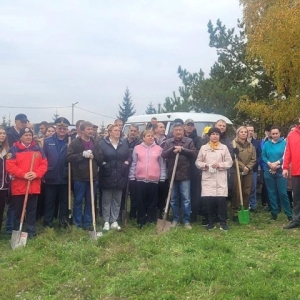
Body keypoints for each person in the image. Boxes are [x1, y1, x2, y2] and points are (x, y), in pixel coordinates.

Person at [6, 127, 48, 238]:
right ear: (21, 137)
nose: (28, 137)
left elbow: (44, 164)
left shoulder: (38, 149)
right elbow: (10, 166)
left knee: (31, 210)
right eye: (26, 135)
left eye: (30, 135)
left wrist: (36, 174)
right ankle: (16, 232)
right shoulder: (14, 149)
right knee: (18, 212)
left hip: (33, 186)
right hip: (19, 186)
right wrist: (23, 174)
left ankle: (31, 232)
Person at [67, 121, 103, 230]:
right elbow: (69, 157)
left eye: (91, 129)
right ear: (82, 131)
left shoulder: (95, 143)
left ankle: (87, 223)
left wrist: (94, 155)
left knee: (90, 201)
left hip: (93, 177)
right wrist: (82, 155)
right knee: (78, 201)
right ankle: (77, 224)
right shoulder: (75, 143)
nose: (91, 131)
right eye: (88, 129)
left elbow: (101, 159)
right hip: (79, 177)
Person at [195, 127, 233, 230]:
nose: (215, 136)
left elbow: (229, 162)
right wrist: (205, 165)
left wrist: (220, 164)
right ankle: (211, 222)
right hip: (208, 178)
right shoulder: (204, 148)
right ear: (209, 136)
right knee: (209, 201)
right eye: (213, 134)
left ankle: (223, 222)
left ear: (219, 136)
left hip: (220, 178)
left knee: (221, 201)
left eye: (217, 134)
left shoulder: (224, 148)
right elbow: (198, 162)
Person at [162, 123, 197, 229]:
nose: (178, 132)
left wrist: (182, 149)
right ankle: (175, 218)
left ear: (183, 131)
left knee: (186, 199)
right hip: (172, 174)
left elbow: (194, 153)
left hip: (185, 174)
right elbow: (163, 155)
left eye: (180, 130)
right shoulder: (168, 142)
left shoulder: (188, 141)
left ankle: (186, 220)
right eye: (176, 130)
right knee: (173, 199)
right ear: (173, 132)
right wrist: (173, 148)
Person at [129, 130, 166, 227]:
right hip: (140, 179)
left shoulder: (159, 149)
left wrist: (162, 178)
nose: (150, 137)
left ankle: (151, 219)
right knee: (140, 201)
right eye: (148, 136)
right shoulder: (137, 148)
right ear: (143, 138)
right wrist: (132, 176)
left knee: (152, 201)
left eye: (152, 136)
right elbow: (134, 163)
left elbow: (162, 164)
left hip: (154, 179)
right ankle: (141, 220)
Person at [99, 124, 130, 231]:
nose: (118, 132)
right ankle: (106, 221)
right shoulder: (103, 144)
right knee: (106, 199)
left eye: (119, 130)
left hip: (120, 174)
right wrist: (104, 164)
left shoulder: (123, 144)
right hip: (107, 174)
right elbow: (98, 156)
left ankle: (114, 220)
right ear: (110, 132)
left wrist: (126, 163)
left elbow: (129, 155)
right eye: (115, 130)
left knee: (117, 199)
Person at [43, 118, 71, 228]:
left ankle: (63, 222)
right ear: (56, 128)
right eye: (60, 128)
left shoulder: (70, 142)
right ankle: (47, 223)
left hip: (65, 176)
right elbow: (43, 159)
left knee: (64, 201)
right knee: (49, 201)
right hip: (51, 175)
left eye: (64, 128)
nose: (62, 130)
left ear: (67, 129)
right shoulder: (48, 141)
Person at [5, 113, 29, 234]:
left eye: (25, 122)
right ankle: (10, 227)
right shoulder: (9, 134)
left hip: (22, 172)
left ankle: (18, 225)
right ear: (16, 121)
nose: (23, 124)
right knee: (12, 201)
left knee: (19, 201)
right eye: (21, 122)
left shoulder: (25, 133)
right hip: (10, 171)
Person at [263, 126, 292, 221]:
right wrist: (269, 164)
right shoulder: (267, 144)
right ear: (270, 134)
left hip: (280, 171)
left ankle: (289, 214)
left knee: (283, 193)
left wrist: (277, 163)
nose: (275, 135)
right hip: (269, 170)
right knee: (271, 193)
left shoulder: (284, 143)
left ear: (280, 133)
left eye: (276, 133)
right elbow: (263, 155)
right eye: (273, 134)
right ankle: (274, 213)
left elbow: (286, 155)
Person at [231, 126, 256, 221]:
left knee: (246, 192)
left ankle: (245, 210)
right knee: (236, 192)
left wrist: (248, 167)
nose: (243, 133)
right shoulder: (233, 144)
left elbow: (254, 158)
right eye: (241, 132)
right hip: (236, 171)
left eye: (245, 132)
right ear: (238, 133)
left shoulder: (251, 145)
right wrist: (242, 167)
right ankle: (235, 212)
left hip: (248, 172)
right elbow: (233, 158)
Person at [184, 118, 202, 223]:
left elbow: (198, 152)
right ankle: (184, 212)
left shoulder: (198, 139)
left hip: (193, 168)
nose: (189, 127)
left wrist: (186, 152)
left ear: (194, 127)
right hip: (182, 168)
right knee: (184, 192)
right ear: (184, 126)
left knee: (194, 192)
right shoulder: (180, 137)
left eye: (191, 125)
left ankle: (193, 213)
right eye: (188, 125)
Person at [283, 119, 300, 228]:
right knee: (297, 197)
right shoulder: (292, 135)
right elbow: (287, 151)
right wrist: (285, 167)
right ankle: (296, 220)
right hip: (296, 171)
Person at [122, 124, 142, 220]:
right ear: (128, 131)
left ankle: (133, 214)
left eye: (135, 131)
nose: (133, 132)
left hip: (135, 170)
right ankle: (121, 212)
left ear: (138, 132)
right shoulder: (123, 142)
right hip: (123, 169)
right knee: (122, 193)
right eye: (131, 130)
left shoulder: (140, 143)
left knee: (134, 194)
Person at [247, 125, 262, 212]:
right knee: (245, 188)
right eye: (248, 130)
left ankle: (253, 205)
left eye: (252, 130)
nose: (250, 132)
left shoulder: (257, 142)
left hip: (254, 168)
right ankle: (245, 204)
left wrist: (255, 164)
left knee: (253, 188)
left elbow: (260, 155)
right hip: (244, 168)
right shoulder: (241, 142)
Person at [0, 126, 10, 232]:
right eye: (0, 133)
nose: (2, 135)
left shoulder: (7, 150)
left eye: (4, 133)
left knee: (1, 209)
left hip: (4, 185)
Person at [260, 125, 272, 208]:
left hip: (276, 166)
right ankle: (266, 202)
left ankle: (274, 203)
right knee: (266, 186)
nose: (269, 133)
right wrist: (267, 164)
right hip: (265, 166)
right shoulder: (263, 142)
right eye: (268, 132)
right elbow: (262, 154)